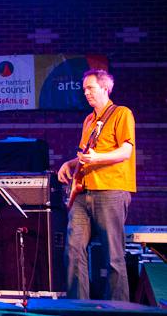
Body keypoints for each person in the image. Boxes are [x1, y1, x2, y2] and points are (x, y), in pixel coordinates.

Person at [58, 69, 136, 301]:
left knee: (113, 255)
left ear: (105, 88)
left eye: (90, 88)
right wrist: (70, 163)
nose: (86, 93)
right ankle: (78, 306)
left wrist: (97, 158)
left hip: (111, 190)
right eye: (84, 89)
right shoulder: (89, 120)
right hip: (83, 192)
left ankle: (118, 308)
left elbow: (126, 151)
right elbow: (86, 155)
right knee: (73, 249)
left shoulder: (121, 113)